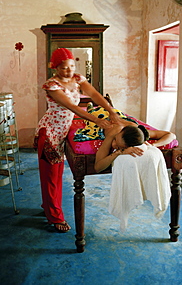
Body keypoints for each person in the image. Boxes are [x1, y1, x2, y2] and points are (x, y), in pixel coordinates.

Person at [34, 48, 120, 232]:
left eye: (72, 66)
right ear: (55, 67)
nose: (69, 71)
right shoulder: (52, 85)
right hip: (49, 134)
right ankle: (55, 218)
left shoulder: (77, 79)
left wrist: (111, 111)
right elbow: (72, 107)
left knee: (56, 175)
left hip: (62, 132)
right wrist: (97, 119)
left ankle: (49, 207)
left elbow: (95, 95)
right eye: (64, 68)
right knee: (50, 177)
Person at [95, 120, 176, 173]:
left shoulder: (139, 134)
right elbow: (97, 167)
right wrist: (118, 152)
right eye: (115, 139)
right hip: (109, 120)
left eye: (119, 147)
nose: (114, 145)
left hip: (128, 123)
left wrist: (153, 145)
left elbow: (171, 135)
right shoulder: (113, 134)